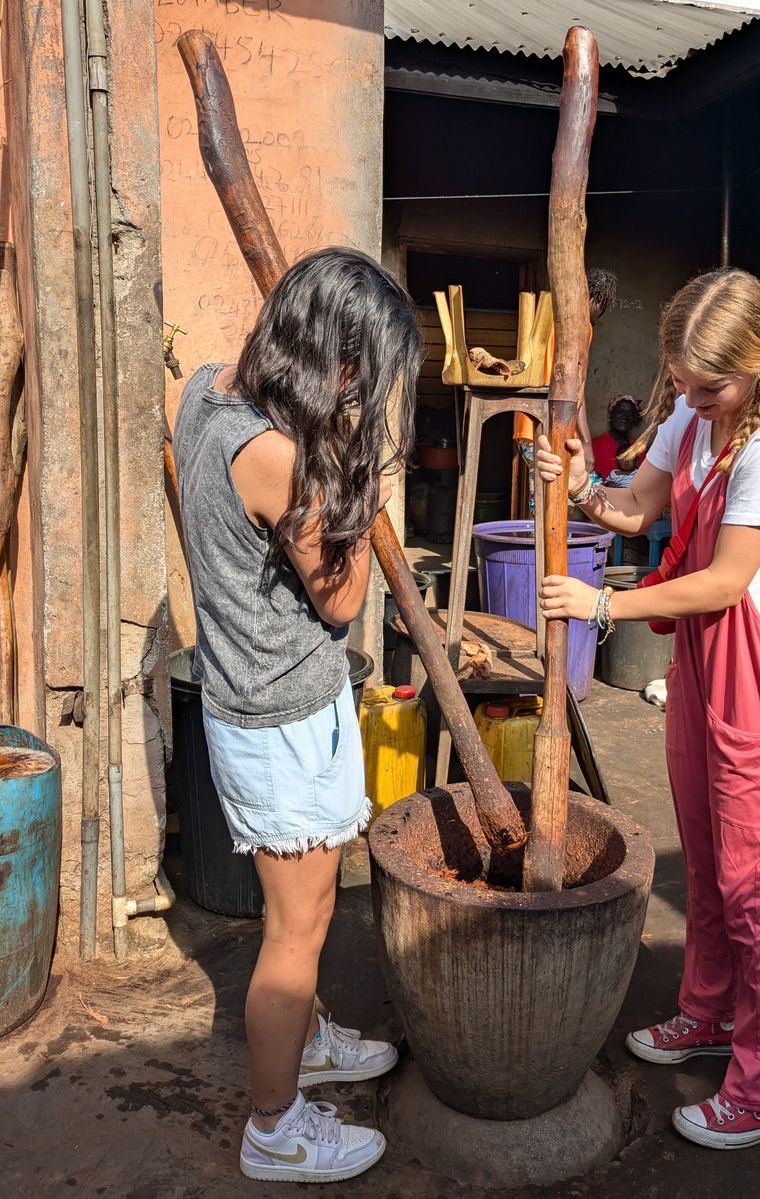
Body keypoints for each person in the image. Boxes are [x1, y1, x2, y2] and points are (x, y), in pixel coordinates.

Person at [536, 268, 760, 1150]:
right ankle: (708, 1011)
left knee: (759, 888)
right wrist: (582, 487)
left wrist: (600, 607)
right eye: (686, 384)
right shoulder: (697, 421)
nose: (696, 401)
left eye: (713, 386)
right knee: (705, 854)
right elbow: (635, 510)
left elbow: (726, 580)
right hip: (703, 664)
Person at [173, 248, 423, 1184]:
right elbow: (342, 601)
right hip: (281, 717)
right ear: (338, 363)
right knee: (297, 931)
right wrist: (365, 484)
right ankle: (274, 1125)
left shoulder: (206, 393)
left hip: (251, 701)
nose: (366, 393)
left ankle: (308, 1039)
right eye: (366, 373)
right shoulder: (283, 460)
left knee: (307, 910)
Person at [513, 267, 618, 492]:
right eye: (601, 307)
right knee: (564, 494)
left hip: (526, 421)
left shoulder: (551, 315)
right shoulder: (581, 326)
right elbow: (576, 388)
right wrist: (588, 445)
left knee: (539, 496)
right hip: (553, 427)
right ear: (595, 300)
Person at [591, 393, 642, 482]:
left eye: (630, 413)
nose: (625, 417)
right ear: (611, 415)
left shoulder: (639, 448)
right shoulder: (595, 446)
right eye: (620, 412)